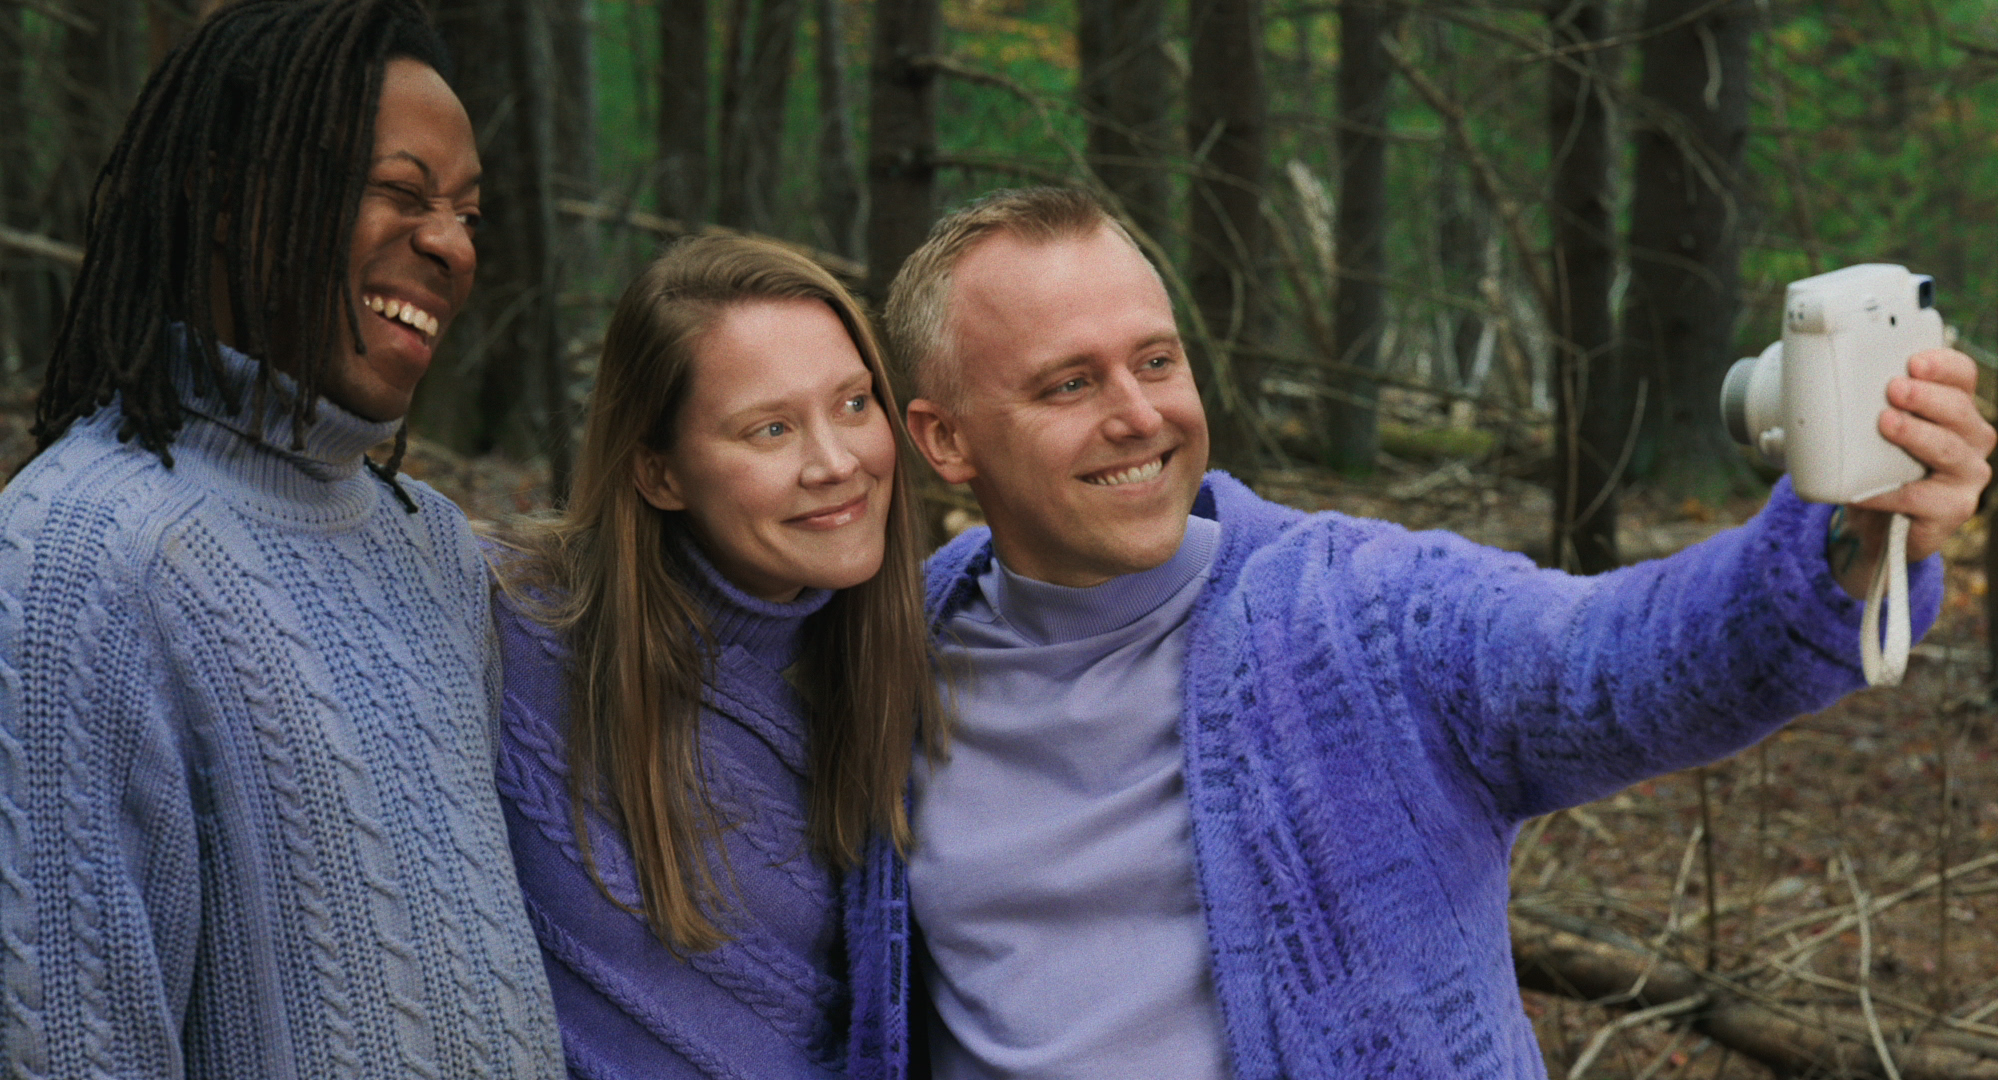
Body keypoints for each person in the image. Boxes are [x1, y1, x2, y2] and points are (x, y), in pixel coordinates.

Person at [883, 187, 1995, 1079]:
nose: (1139, 413)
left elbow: (1621, 665)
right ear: (944, 442)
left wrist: (1853, 543)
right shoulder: (883, 664)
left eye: (1158, 360)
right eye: (1070, 383)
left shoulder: (1360, 612)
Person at [0, 2, 565, 1076]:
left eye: (468, 213)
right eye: (401, 193)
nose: (450, 243)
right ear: (224, 194)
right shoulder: (82, 556)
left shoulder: (432, 546)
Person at [486, 236, 943, 1080]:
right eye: (770, 428)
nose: (838, 464)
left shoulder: (922, 665)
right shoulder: (507, 632)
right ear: (659, 474)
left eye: (852, 404)